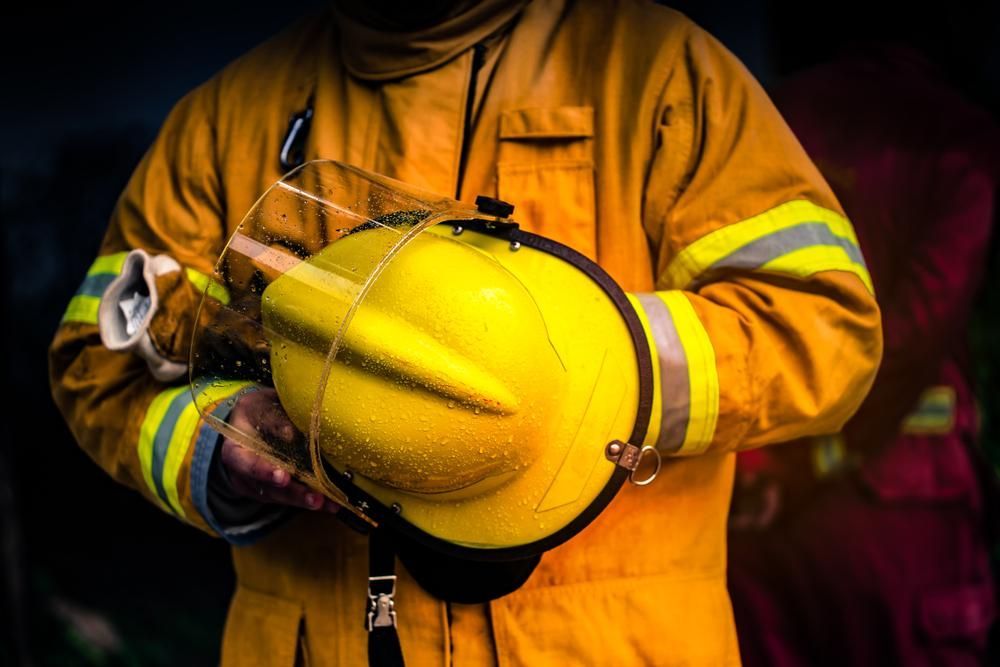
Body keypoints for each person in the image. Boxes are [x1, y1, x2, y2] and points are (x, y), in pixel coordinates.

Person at [48, 1, 881, 664]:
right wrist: (220, 443)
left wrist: (586, 379)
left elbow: (823, 323)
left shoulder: (654, 67)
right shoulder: (226, 118)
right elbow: (97, 363)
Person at [727, 42, 1000, 666]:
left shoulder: (764, 114)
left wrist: (762, 466)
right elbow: (912, 335)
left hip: (755, 504)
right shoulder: (956, 135)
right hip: (902, 506)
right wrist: (807, 464)